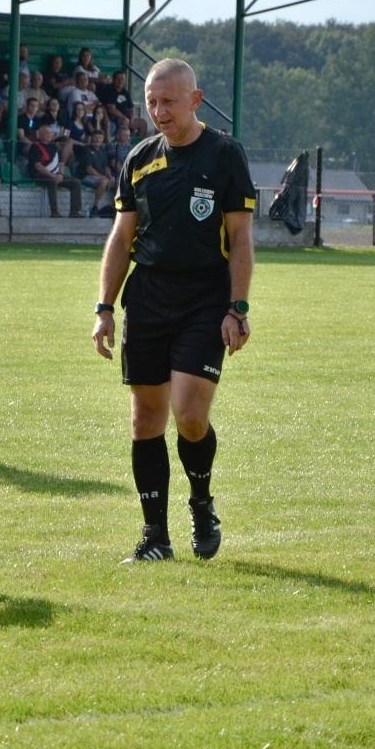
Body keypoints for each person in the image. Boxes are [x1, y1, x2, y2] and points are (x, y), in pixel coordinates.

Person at [91, 58, 257, 563]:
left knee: (188, 415)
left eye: (168, 102)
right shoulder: (139, 159)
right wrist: (104, 308)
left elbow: (241, 237)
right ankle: (154, 537)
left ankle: (202, 502)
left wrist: (238, 308)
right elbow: (121, 238)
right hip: (148, 297)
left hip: (206, 297)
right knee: (145, 422)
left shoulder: (226, 154)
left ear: (195, 98)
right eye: (151, 104)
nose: (159, 112)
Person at [27, 122, 83, 218]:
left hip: (55, 174)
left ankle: (75, 211)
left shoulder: (53, 146)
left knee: (76, 183)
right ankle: (54, 211)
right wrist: (53, 176)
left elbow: (60, 162)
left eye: (50, 133)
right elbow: (38, 166)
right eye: (46, 133)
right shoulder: (35, 147)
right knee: (52, 182)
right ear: (40, 135)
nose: (49, 135)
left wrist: (60, 174)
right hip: (39, 175)